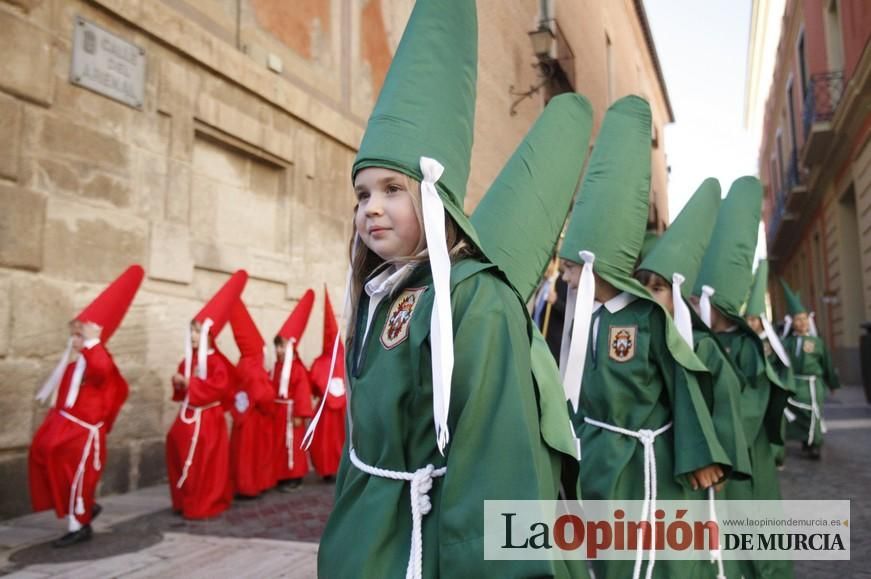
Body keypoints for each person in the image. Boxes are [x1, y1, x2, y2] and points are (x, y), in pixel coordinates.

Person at [318, 1, 586, 576]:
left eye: (393, 188)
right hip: (369, 540)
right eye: (362, 194)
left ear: (435, 198)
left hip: (431, 539)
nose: (372, 209)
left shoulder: (475, 299)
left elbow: (497, 457)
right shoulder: (379, 294)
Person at [559, 96, 729, 579]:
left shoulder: (649, 319)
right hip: (599, 456)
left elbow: (684, 380)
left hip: (644, 459)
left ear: (597, 269)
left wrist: (699, 454)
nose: (567, 280)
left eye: (573, 269)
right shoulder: (587, 323)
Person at [636, 178, 753, 578]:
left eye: (659, 288)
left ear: (679, 295)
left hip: (698, 465)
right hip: (659, 462)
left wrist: (718, 459)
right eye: (644, 287)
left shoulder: (702, 347)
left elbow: (725, 402)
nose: (651, 295)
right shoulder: (643, 342)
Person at [693, 178, 794, 579]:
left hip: (744, 456)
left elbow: (752, 404)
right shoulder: (704, 343)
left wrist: (720, 447)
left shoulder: (748, 346)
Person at [29, 265, 143, 547]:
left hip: (82, 436)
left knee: (78, 480)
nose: (76, 341)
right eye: (76, 336)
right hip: (65, 430)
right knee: (52, 466)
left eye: (82, 336)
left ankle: (79, 524)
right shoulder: (75, 365)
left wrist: (93, 341)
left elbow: (101, 370)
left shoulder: (99, 361)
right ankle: (85, 509)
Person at [166, 270, 246, 518]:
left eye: (197, 332)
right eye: (190, 331)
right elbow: (184, 388)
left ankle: (204, 502)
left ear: (209, 335)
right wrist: (180, 384)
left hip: (207, 420)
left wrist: (189, 383)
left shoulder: (218, 362)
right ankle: (184, 499)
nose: (192, 337)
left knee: (203, 460)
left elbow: (218, 388)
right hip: (188, 416)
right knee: (175, 448)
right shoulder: (187, 360)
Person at [779, 279, 840, 459]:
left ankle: (815, 445)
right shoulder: (786, 343)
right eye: (798, 319)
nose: (802, 322)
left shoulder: (817, 342)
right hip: (794, 383)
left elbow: (826, 363)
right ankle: (805, 439)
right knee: (796, 413)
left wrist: (832, 384)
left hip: (813, 384)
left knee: (814, 413)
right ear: (792, 322)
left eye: (805, 318)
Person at [228, 299, 275, 497]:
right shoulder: (254, 367)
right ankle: (250, 487)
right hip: (255, 420)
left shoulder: (241, 364)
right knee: (251, 455)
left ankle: (240, 485)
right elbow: (263, 396)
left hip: (242, 419)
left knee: (240, 454)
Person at [272, 289, 315, 491]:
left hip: (291, 413)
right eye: (277, 346)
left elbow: (302, 391)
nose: (279, 350)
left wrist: (300, 413)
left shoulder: (296, 368)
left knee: (293, 443)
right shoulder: (276, 367)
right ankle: (281, 473)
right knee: (279, 444)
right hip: (279, 413)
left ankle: (295, 475)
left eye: (282, 346)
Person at [306, 286, 347, 481]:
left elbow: (313, 386)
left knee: (326, 442)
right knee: (337, 439)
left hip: (331, 414)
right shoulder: (346, 357)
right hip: (340, 413)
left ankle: (329, 470)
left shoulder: (321, 363)